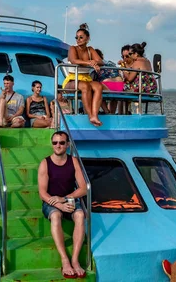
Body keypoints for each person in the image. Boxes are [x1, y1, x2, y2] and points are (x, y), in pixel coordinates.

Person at [37, 131, 87, 279]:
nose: (58, 146)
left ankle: (75, 260)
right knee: (56, 215)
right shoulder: (45, 163)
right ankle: (65, 260)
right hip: (51, 202)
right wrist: (58, 203)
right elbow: (42, 193)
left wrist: (64, 199)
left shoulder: (74, 161)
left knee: (80, 214)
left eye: (61, 143)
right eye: (55, 143)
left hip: (67, 199)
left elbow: (83, 188)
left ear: (67, 144)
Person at [62, 23, 104, 126]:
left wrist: (95, 62)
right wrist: (89, 62)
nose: (78, 39)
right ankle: (90, 116)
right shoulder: (73, 48)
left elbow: (101, 61)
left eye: (81, 37)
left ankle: (94, 114)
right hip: (72, 79)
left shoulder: (90, 50)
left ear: (87, 38)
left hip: (86, 78)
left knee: (98, 86)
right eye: (76, 37)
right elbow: (73, 60)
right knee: (85, 86)